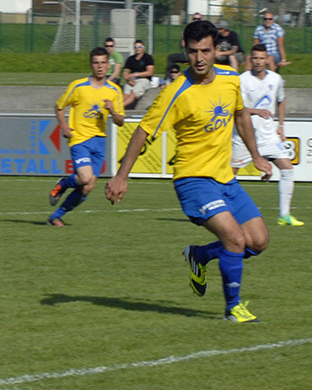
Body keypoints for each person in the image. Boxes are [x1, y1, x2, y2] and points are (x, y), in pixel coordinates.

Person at [105, 19, 272, 323]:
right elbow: (143, 131)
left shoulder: (230, 79)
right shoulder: (176, 92)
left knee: (258, 241)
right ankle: (233, 308)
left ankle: (201, 255)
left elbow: (240, 116)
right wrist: (121, 176)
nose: (199, 58)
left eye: (205, 51)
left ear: (216, 50)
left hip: (225, 179)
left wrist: (256, 156)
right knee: (235, 240)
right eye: (193, 51)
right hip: (193, 181)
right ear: (186, 50)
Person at [47, 46, 124, 226]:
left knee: (88, 187)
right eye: (96, 63)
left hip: (99, 142)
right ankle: (63, 184)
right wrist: (64, 127)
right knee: (85, 178)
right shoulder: (79, 86)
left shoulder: (114, 91)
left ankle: (55, 216)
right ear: (91, 65)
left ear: (108, 65)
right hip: (80, 139)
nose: (100, 66)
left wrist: (113, 111)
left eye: (103, 63)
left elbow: (120, 121)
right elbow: (59, 106)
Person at [231, 45, 303, 226]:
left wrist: (281, 126)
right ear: (250, 59)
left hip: (268, 136)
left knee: (287, 168)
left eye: (262, 58)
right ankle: (224, 212)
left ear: (267, 60)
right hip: (244, 137)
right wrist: (256, 111)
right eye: (255, 58)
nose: (258, 62)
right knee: (229, 175)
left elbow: (281, 100)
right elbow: (236, 108)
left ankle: (284, 215)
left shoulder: (276, 79)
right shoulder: (242, 80)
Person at [122, 39, 155, 109]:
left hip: (144, 80)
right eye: (136, 47)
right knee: (126, 92)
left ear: (143, 48)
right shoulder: (130, 59)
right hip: (132, 80)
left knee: (134, 92)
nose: (138, 49)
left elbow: (149, 72)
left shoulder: (148, 58)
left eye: (140, 47)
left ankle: (120, 107)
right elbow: (125, 72)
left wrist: (136, 74)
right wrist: (129, 80)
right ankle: (117, 105)